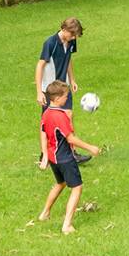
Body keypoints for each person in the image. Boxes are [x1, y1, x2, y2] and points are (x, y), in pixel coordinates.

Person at [37, 80, 103, 234]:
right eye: (65, 96)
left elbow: (43, 132)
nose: (67, 99)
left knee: (61, 183)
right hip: (65, 158)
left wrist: (45, 155)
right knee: (77, 188)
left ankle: (45, 213)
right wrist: (91, 148)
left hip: (53, 157)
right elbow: (71, 139)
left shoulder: (46, 113)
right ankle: (67, 225)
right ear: (57, 98)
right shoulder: (60, 116)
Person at [33, 18, 83, 168]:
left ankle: (72, 153)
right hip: (51, 89)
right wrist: (39, 92)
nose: (74, 38)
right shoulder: (50, 43)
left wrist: (72, 80)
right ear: (64, 29)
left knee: (68, 117)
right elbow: (40, 66)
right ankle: (45, 154)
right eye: (72, 35)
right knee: (47, 122)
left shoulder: (71, 41)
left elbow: (68, 59)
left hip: (64, 87)